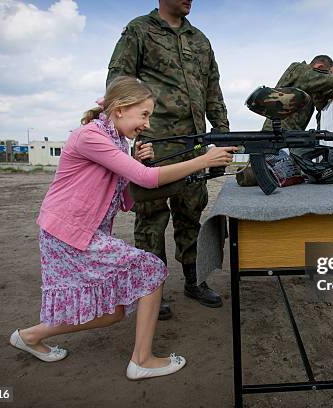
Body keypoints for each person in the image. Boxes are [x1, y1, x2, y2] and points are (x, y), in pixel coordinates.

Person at [9, 76, 236, 380]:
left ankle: (29, 336)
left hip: (80, 233)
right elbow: (145, 180)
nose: (146, 124)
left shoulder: (116, 140)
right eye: (143, 114)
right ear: (119, 109)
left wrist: (136, 163)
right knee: (151, 270)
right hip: (67, 232)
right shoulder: (90, 136)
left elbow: (127, 197)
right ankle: (141, 360)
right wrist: (202, 160)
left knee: (114, 312)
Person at [107, 0, 230, 319]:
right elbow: (118, 85)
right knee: (151, 217)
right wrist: (126, 138)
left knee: (191, 212)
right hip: (153, 144)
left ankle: (193, 280)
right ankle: (151, 289)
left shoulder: (200, 40)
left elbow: (212, 88)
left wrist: (222, 130)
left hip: (194, 143)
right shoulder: (139, 31)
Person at [262, 55, 333, 133]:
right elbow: (332, 81)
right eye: (329, 74)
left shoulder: (310, 85)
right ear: (319, 67)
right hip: (275, 133)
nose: (328, 77)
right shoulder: (300, 70)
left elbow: (321, 104)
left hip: (288, 135)